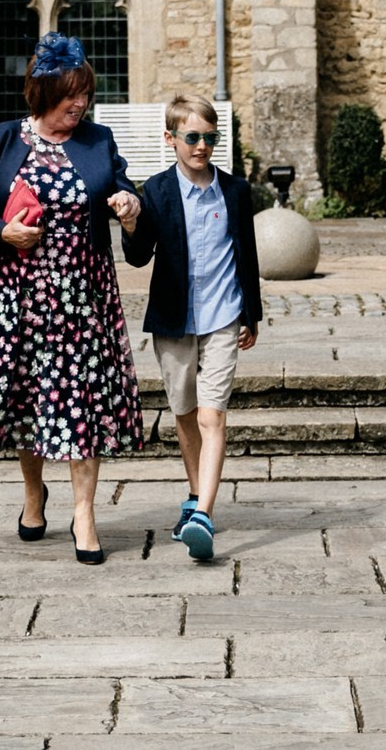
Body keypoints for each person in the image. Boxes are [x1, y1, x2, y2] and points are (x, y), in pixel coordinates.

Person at [0, 32, 146, 564]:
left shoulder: (98, 141)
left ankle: (84, 513)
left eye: (85, 94)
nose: (80, 104)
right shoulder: (0, 140)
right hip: (18, 298)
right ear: (42, 92)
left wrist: (127, 204)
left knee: (82, 403)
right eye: (69, 94)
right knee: (26, 401)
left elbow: (120, 187)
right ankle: (34, 494)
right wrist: (1, 233)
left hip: (82, 298)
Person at [120, 94, 262, 562]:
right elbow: (139, 257)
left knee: (211, 415)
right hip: (175, 318)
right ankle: (194, 494)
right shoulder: (157, 191)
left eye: (210, 138)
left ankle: (203, 513)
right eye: (193, 137)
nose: (202, 146)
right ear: (172, 139)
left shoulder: (235, 191)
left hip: (223, 315)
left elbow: (247, 254)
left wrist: (252, 313)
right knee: (184, 414)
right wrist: (131, 222)